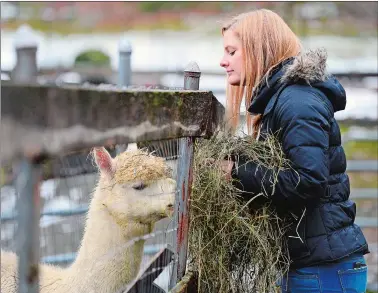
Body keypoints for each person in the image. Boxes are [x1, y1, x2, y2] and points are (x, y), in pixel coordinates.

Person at [218, 9, 370, 293]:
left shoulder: (297, 102)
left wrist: (236, 172)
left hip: (322, 271)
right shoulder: (283, 100)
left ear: (257, 48)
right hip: (311, 265)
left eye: (231, 51)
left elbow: (308, 182)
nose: (223, 61)